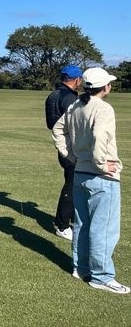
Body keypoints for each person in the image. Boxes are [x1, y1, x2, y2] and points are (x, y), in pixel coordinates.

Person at [52, 67, 127, 294]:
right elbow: (99, 137)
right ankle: (101, 277)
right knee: (104, 229)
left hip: (81, 173)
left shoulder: (75, 105)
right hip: (101, 176)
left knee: (82, 225)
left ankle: (81, 268)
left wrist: (71, 156)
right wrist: (101, 164)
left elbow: (58, 130)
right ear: (105, 87)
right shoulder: (103, 108)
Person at [44, 64, 83, 240]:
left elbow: (50, 123)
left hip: (61, 145)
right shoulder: (70, 98)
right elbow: (75, 125)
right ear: (77, 80)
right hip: (70, 146)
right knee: (72, 184)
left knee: (73, 182)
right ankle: (62, 225)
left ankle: (72, 218)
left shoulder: (53, 95)